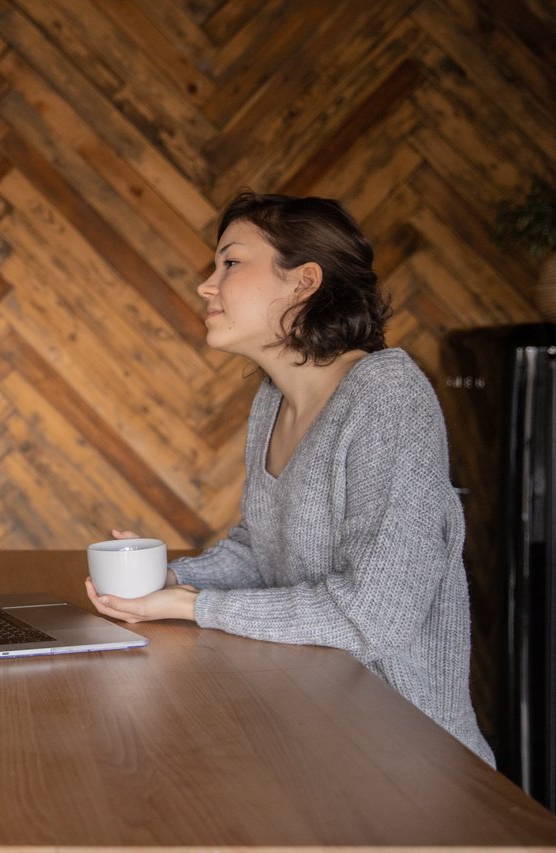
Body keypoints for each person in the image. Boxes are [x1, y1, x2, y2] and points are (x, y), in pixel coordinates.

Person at [85, 190, 494, 764]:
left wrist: (194, 605)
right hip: (311, 725)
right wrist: (156, 580)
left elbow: (373, 616)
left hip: (404, 756)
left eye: (230, 262)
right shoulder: (273, 402)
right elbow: (261, 555)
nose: (207, 284)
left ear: (303, 282)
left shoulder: (387, 399)